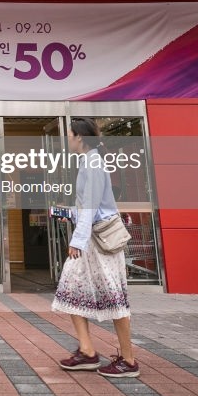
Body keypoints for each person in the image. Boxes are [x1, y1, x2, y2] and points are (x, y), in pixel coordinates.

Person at [51, 117, 138, 378]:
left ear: (79, 136)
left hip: (98, 240)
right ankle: (88, 351)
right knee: (70, 288)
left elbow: (91, 206)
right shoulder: (88, 161)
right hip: (90, 237)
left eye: (69, 134)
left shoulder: (93, 163)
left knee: (113, 294)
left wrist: (76, 241)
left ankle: (129, 360)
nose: (67, 139)